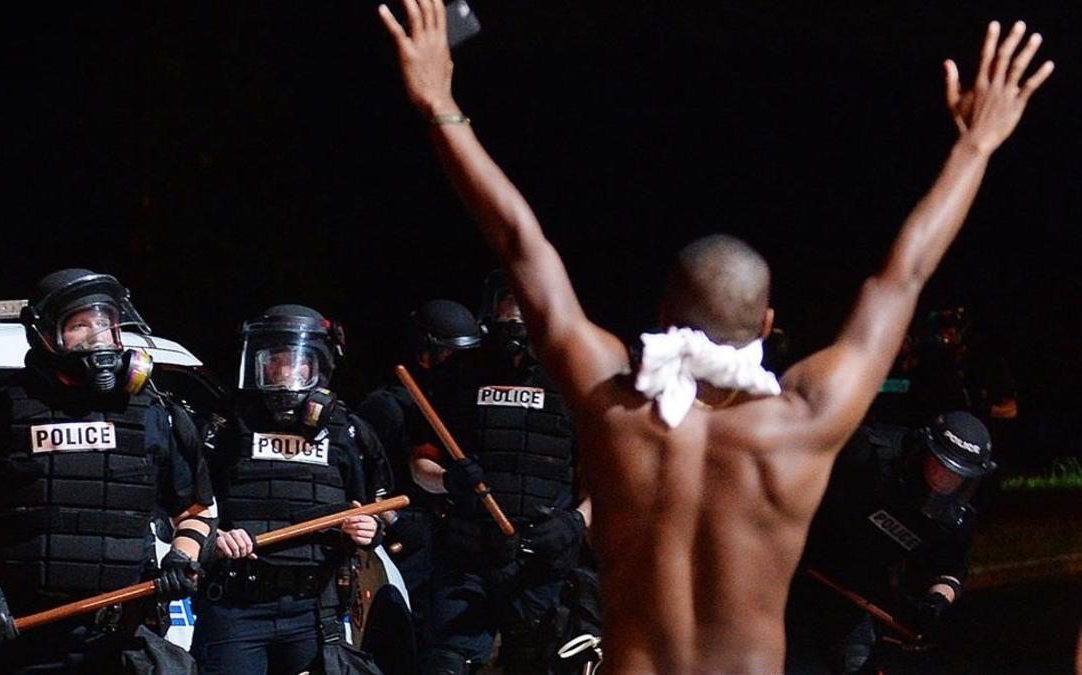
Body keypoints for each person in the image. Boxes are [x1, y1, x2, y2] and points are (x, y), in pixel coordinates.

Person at [378, 4, 1052, 672]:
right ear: (766, 325)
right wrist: (975, 146)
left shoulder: (615, 407)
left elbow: (523, 245)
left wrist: (441, 105)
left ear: (663, 315)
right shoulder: (802, 423)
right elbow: (901, 278)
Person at [0, 268, 216, 675]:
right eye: (81, 326)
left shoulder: (151, 414)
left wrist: (180, 561)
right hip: (29, 639)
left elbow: (195, 513)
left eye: (107, 324)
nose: (99, 338)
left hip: (123, 638)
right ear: (45, 335)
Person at [189, 304, 387, 675]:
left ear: (317, 367)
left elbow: (378, 509)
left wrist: (370, 530)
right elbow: (185, 507)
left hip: (313, 611)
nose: (284, 373)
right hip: (235, 607)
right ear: (257, 364)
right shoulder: (224, 427)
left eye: (296, 363)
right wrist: (215, 537)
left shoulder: (349, 432)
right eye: (274, 361)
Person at [410, 273, 592, 675]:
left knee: (537, 662)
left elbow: (609, 478)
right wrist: (447, 481)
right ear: (492, 308)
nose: (517, 313)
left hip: (541, 562)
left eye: (527, 301)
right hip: (468, 555)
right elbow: (419, 466)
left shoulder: (575, 377)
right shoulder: (459, 374)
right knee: (445, 662)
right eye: (509, 301)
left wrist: (577, 521)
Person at [784, 412, 996, 674]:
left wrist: (936, 603)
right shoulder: (868, 455)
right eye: (941, 466)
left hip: (856, 600)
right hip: (793, 571)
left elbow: (949, 569)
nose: (945, 478)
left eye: (956, 474)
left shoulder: (955, 518)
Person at [357, 299, 482, 636]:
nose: (459, 366)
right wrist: (394, 521)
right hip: (404, 538)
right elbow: (363, 479)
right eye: (449, 355)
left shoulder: (460, 404)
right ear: (424, 352)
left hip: (449, 540)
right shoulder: (388, 407)